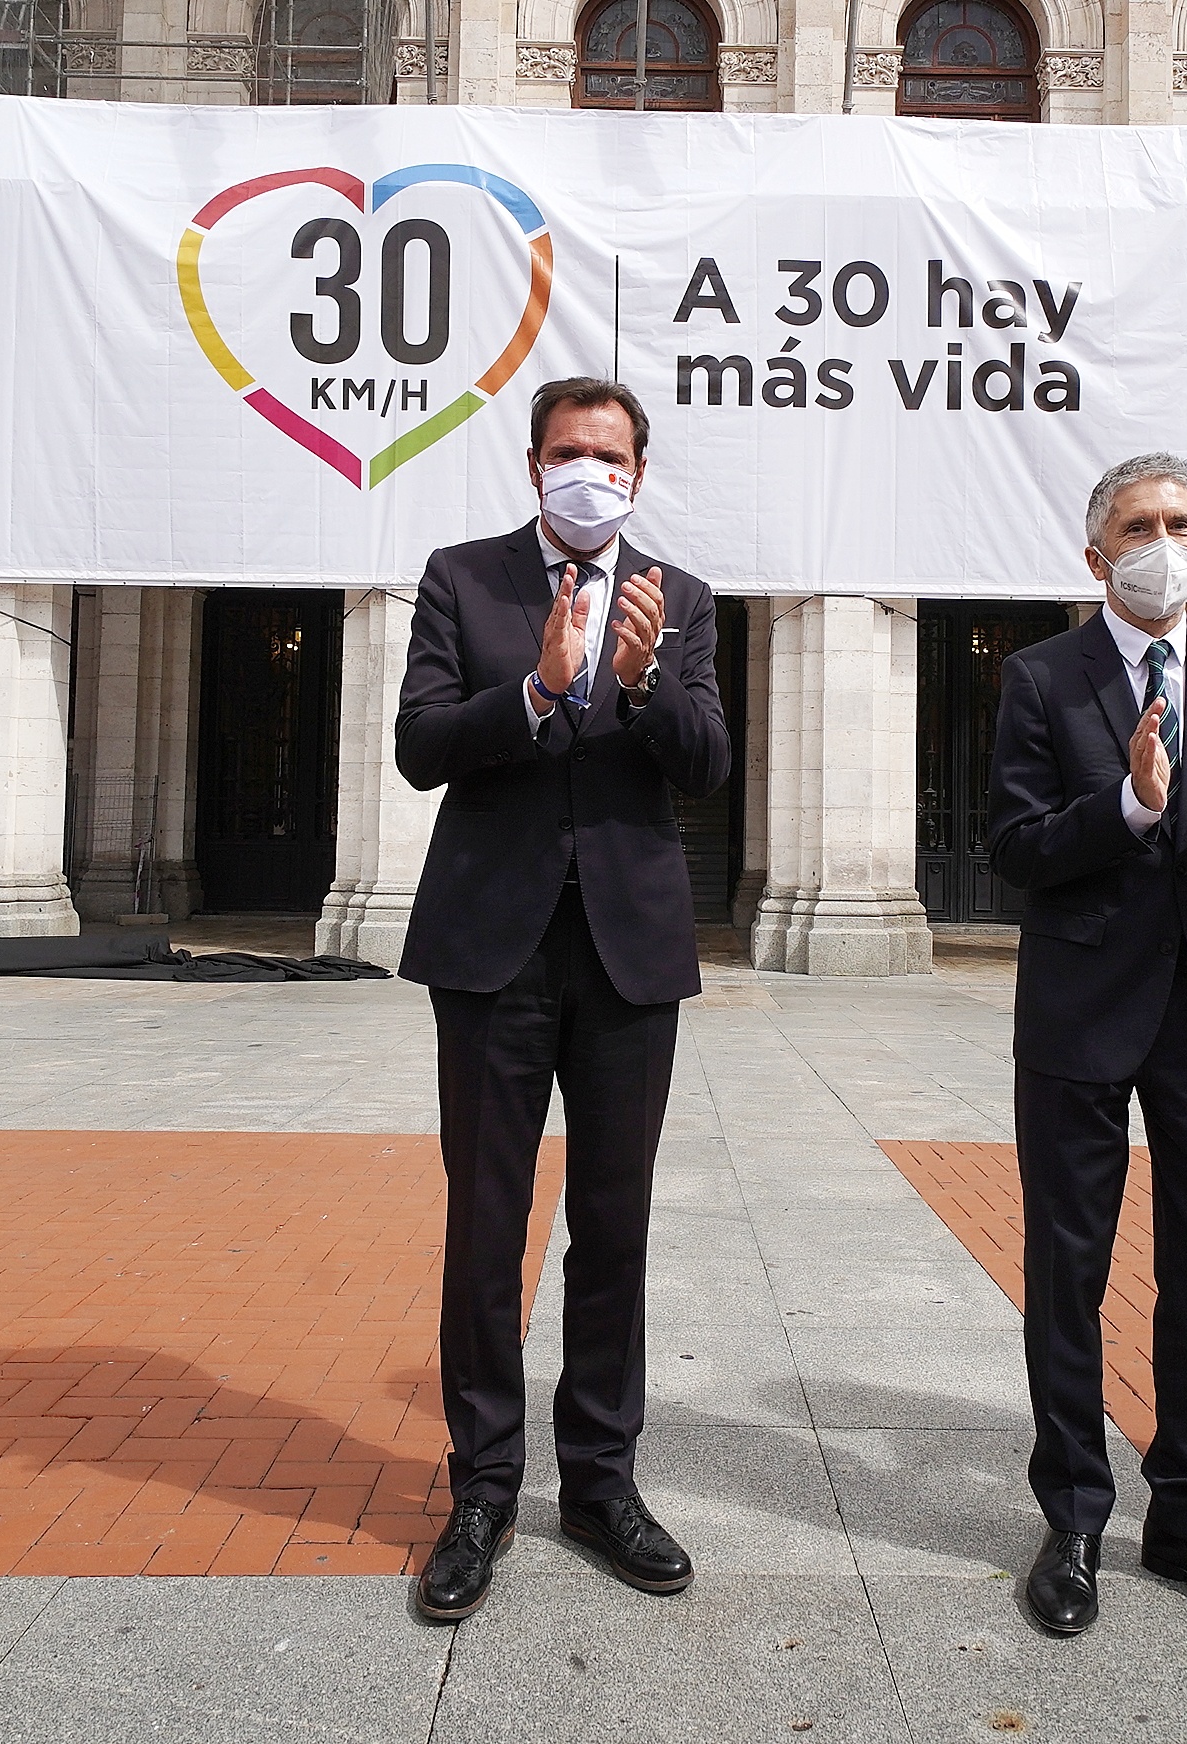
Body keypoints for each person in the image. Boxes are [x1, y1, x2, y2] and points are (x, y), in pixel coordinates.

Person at [394, 377, 734, 1622]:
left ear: (639, 472)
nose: (590, 470)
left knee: (614, 1224)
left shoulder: (678, 596)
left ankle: (600, 1484)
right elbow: (420, 745)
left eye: (611, 455)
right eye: (568, 452)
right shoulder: (463, 579)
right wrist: (535, 691)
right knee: (486, 1227)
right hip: (492, 947)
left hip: (627, 951)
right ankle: (482, 1487)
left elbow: (706, 762)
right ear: (533, 463)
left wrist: (642, 685)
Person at [985, 452, 1187, 1642]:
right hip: (1080, 1008)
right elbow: (1013, 846)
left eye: (1178, 521)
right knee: (1067, 1270)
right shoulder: (1040, 676)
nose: (1161, 542)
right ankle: (1073, 1515)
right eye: (1137, 526)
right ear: (1095, 555)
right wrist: (1128, 805)